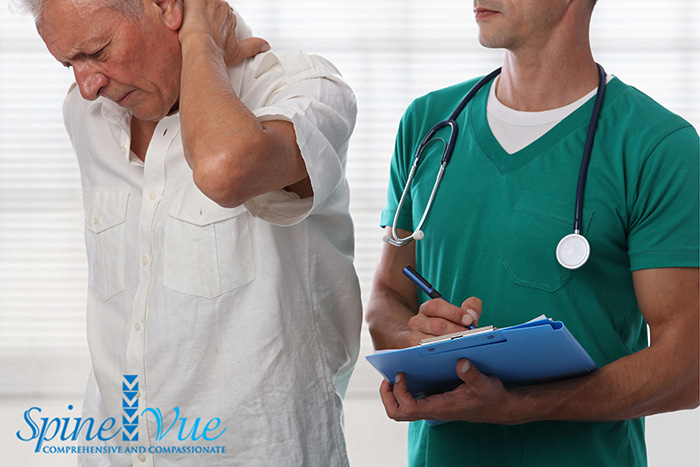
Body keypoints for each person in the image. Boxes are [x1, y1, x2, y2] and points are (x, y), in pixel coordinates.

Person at [19, 0, 362, 464]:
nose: (86, 86)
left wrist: (200, 36)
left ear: (167, 7)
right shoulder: (89, 117)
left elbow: (225, 171)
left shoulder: (299, 88)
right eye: (69, 63)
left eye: (98, 52)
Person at [366, 1, 699, 466]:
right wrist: (416, 340)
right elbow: (387, 295)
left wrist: (521, 406)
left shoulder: (658, 147)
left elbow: (688, 366)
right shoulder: (428, 125)